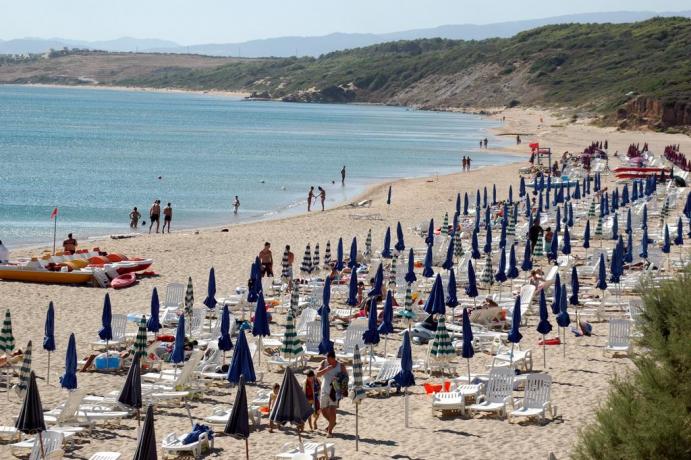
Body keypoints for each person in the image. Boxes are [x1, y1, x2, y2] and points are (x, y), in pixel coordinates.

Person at [316, 350, 348, 437]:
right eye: (327, 359)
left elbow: (346, 378)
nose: (328, 361)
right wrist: (326, 369)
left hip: (334, 392)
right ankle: (332, 423)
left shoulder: (340, 366)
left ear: (334, 358)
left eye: (329, 360)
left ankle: (329, 432)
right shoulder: (324, 363)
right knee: (323, 410)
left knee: (332, 410)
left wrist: (338, 380)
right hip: (324, 390)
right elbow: (317, 374)